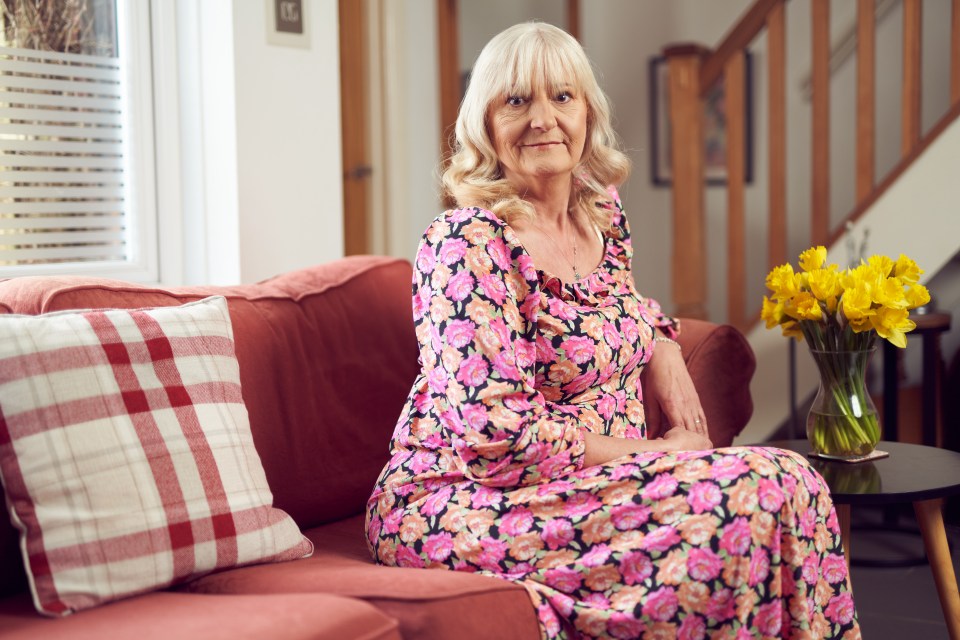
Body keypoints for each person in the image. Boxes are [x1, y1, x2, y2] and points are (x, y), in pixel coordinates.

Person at [366, 22, 859, 639]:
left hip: (586, 483)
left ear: (588, 114)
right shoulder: (465, 244)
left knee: (799, 482)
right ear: (485, 124)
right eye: (516, 100)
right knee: (752, 490)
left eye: (562, 97)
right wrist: (659, 454)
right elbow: (498, 440)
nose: (543, 119)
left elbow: (610, 305)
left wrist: (661, 340)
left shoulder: (598, 213)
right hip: (464, 501)